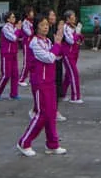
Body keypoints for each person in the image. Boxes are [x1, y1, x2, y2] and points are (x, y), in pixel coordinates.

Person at [16, 14, 67, 156]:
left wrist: (59, 42)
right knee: (42, 114)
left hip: (50, 82)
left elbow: (57, 56)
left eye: (47, 25)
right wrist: (57, 45)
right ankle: (24, 142)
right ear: (36, 27)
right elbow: (49, 58)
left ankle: (53, 144)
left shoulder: (47, 42)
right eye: (43, 25)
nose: (45, 27)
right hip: (40, 83)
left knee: (51, 114)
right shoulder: (34, 42)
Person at [0, 12, 22, 100]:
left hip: (13, 53)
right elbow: (13, 38)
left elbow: (19, 37)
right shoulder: (5, 28)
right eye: (12, 17)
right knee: (6, 74)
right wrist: (18, 29)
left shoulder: (13, 27)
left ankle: (14, 94)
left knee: (15, 74)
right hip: (6, 53)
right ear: (8, 19)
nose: (14, 18)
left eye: (14, 17)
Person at [61, 10, 84, 104]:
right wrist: (77, 34)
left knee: (68, 75)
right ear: (67, 19)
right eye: (72, 17)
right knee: (74, 74)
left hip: (74, 53)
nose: (74, 19)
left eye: (74, 17)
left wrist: (79, 33)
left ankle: (61, 93)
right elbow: (71, 40)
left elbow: (80, 40)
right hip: (68, 54)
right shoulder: (65, 28)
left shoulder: (73, 27)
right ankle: (75, 97)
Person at [18, 7, 36, 85]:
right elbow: (29, 33)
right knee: (27, 62)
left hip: (33, 44)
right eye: (31, 12)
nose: (33, 14)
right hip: (27, 44)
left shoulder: (33, 22)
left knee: (33, 62)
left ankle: (32, 79)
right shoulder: (25, 22)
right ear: (27, 14)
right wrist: (34, 30)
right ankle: (21, 79)